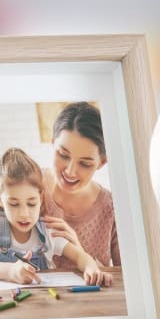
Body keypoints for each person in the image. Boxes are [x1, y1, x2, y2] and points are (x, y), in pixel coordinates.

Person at [0, 148, 112, 286]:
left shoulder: (47, 230)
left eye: (31, 204)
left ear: (41, 198)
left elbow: (80, 256)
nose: (24, 214)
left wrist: (92, 269)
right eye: (14, 204)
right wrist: (11, 271)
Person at [41, 101, 121, 270]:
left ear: (102, 162)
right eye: (63, 155)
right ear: (53, 143)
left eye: (85, 163)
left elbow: (128, 277)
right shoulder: (27, 182)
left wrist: (81, 255)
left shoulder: (111, 209)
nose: (70, 171)